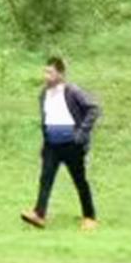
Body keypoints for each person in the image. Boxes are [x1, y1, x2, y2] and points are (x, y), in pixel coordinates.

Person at [23, 57, 100, 232]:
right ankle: (39, 214)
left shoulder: (72, 91)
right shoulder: (43, 94)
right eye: (45, 71)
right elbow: (46, 118)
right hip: (52, 145)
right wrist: (45, 141)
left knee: (80, 181)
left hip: (72, 145)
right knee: (45, 179)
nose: (46, 75)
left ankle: (90, 217)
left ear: (60, 73)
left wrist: (81, 133)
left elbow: (93, 109)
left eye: (50, 72)